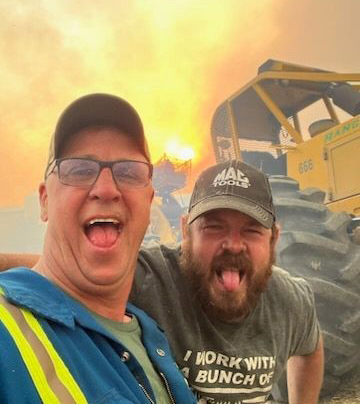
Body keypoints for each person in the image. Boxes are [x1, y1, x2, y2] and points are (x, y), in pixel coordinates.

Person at [0, 157, 324, 402]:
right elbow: (63, 270)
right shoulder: (151, 276)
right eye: (213, 227)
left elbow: (310, 347)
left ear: (272, 239)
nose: (233, 244)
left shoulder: (291, 300)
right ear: (185, 232)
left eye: (251, 230)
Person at [0, 93, 196, 404]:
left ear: (149, 201)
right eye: (79, 170)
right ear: (44, 200)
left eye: (129, 172)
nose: (106, 189)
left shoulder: (150, 336)